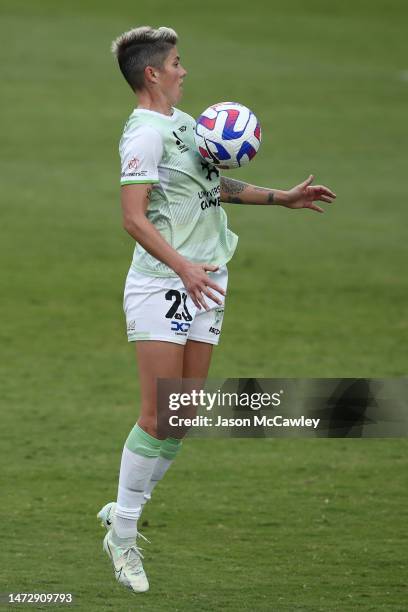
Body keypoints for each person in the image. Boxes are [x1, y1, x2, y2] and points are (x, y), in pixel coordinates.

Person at [97, 25, 336, 594]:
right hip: (165, 283)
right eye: (177, 62)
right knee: (158, 415)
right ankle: (123, 533)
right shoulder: (143, 136)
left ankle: (123, 509)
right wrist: (182, 266)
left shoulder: (185, 126)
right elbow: (133, 217)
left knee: (182, 417)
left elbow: (212, 185)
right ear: (152, 73)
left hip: (208, 277)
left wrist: (282, 197)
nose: (184, 70)